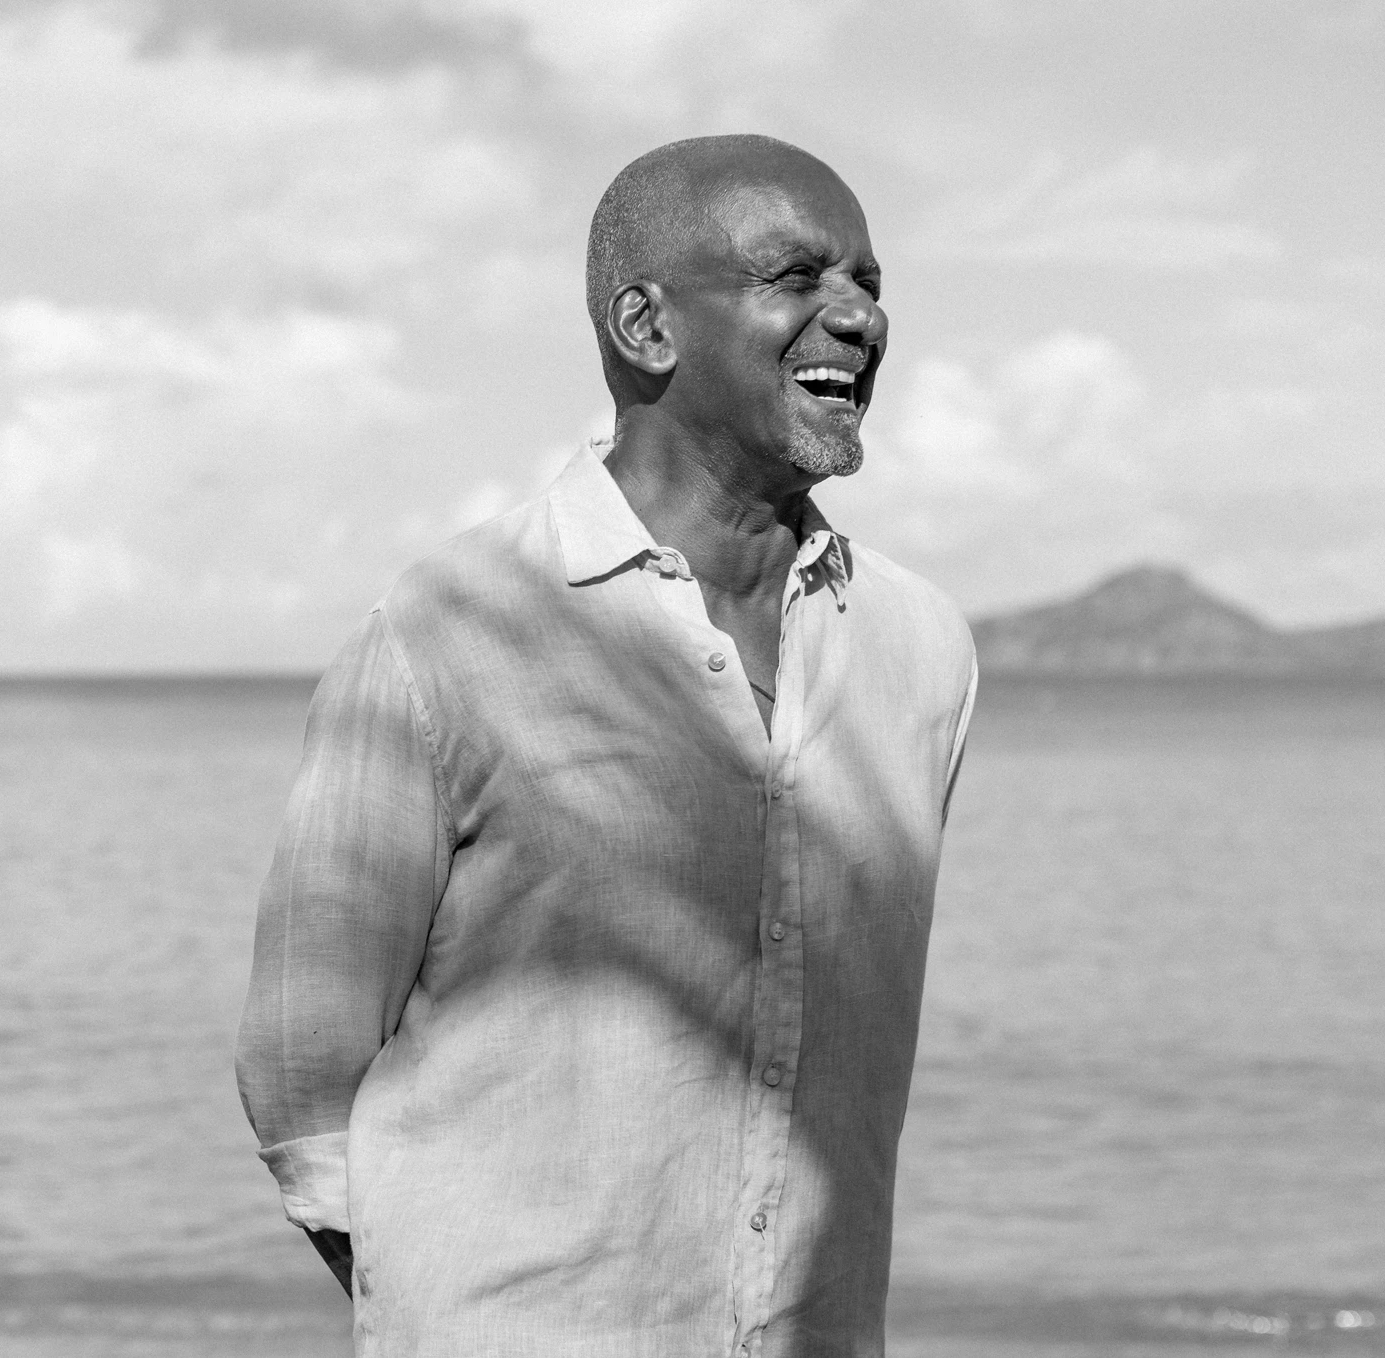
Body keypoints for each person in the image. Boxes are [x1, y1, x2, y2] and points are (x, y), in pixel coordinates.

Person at [236, 133, 977, 1358]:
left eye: (869, 282)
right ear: (647, 326)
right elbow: (302, 1067)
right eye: (797, 277)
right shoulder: (453, 627)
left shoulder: (920, 648)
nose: (858, 318)